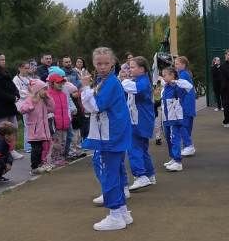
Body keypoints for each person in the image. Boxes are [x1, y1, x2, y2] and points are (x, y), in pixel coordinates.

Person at [80, 47, 133, 231]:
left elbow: (95, 106)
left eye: (106, 63)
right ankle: (123, 211)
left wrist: (85, 87)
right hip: (113, 133)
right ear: (94, 64)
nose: (102, 67)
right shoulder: (106, 81)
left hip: (110, 135)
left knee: (108, 172)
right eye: (99, 63)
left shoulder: (110, 82)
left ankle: (115, 214)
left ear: (113, 63)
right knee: (115, 172)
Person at [124, 56, 156, 191]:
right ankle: (149, 174)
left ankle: (140, 176)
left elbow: (130, 87)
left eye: (132, 67)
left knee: (133, 147)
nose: (130, 69)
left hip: (139, 120)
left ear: (142, 69)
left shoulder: (142, 82)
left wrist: (121, 80)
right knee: (142, 148)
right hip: (140, 120)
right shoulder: (140, 80)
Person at [160, 66, 194, 172]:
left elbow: (189, 86)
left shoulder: (178, 86)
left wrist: (175, 81)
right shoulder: (167, 86)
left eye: (165, 75)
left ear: (172, 75)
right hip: (168, 116)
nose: (163, 77)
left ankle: (178, 161)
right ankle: (174, 158)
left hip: (176, 117)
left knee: (175, 138)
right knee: (171, 137)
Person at [17, 78, 52, 175]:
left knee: (43, 148)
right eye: (44, 89)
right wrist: (31, 105)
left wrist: (48, 98)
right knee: (36, 150)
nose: (45, 91)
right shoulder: (30, 100)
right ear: (37, 90)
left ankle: (41, 164)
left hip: (44, 130)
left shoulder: (44, 101)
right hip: (35, 131)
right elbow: (22, 109)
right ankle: (34, 167)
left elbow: (52, 108)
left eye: (46, 89)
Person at [46, 73, 72, 167]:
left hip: (64, 123)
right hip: (55, 124)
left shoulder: (64, 95)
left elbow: (67, 109)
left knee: (63, 142)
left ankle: (60, 158)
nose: (61, 84)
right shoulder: (48, 95)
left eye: (62, 82)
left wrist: (68, 119)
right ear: (52, 83)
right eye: (58, 83)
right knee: (55, 143)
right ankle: (53, 159)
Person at [173, 56, 197, 155]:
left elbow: (179, 88)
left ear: (183, 65)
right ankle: (187, 146)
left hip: (185, 103)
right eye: (175, 63)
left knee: (182, 125)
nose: (175, 65)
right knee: (187, 125)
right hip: (188, 103)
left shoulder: (183, 75)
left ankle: (188, 145)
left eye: (177, 63)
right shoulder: (185, 74)